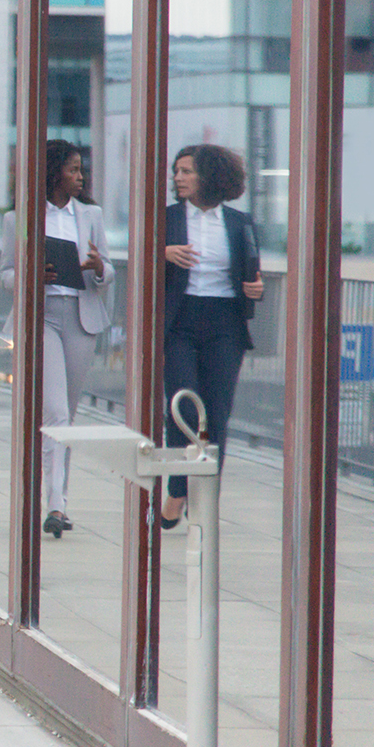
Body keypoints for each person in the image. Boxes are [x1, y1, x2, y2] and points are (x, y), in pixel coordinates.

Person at [0, 141, 114, 539]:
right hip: (41, 316)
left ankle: (57, 497)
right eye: (73, 170)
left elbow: (108, 270)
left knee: (68, 413)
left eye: (81, 170)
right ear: (53, 173)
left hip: (81, 317)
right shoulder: (19, 219)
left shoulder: (91, 215)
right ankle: (55, 505)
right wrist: (31, 275)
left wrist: (98, 268)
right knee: (55, 412)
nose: (80, 177)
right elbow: (6, 274)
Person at [159, 143, 264, 529]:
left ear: (210, 176)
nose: (178, 178)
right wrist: (162, 251)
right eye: (176, 171)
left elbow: (251, 273)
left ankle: (203, 499)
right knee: (183, 407)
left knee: (216, 413)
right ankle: (177, 490)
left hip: (225, 323)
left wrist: (256, 289)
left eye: (186, 171)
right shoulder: (166, 218)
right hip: (180, 321)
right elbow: (139, 261)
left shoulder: (239, 222)